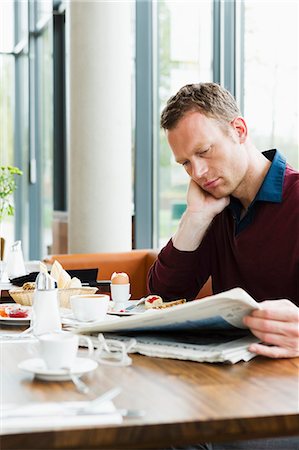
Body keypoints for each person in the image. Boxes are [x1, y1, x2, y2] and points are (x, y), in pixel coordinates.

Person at [147, 83, 299, 449]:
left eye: (204, 151)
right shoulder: (215, 208)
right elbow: (163, 295)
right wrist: (195, 218)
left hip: (285, 396)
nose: (197, 172)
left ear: (239, 130)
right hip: (231, 385)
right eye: (185, 163)